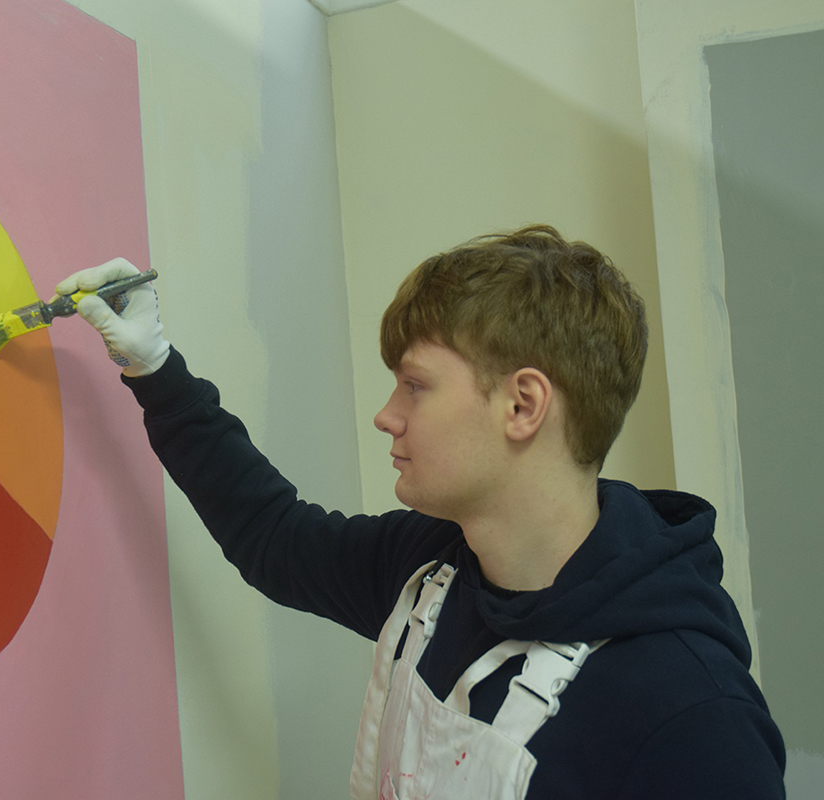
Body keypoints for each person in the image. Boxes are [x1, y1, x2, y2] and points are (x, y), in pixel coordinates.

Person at [54, 225, 786, 799]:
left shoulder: (693, 718)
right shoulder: (430, 570)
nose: (385, 415)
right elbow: (273, 538)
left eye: (415, 386)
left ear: (522, 405)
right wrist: (153, 366)